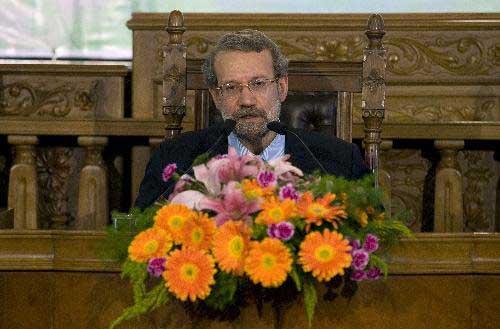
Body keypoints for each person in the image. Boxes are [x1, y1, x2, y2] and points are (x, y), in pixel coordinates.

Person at [134, 29, 368, 209]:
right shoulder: (176, 158)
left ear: (282, 87)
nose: (247, 100)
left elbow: (372, 239)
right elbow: (141, 231)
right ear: (217, 96)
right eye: (231, 87)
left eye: (258, 84)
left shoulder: (340, 160)